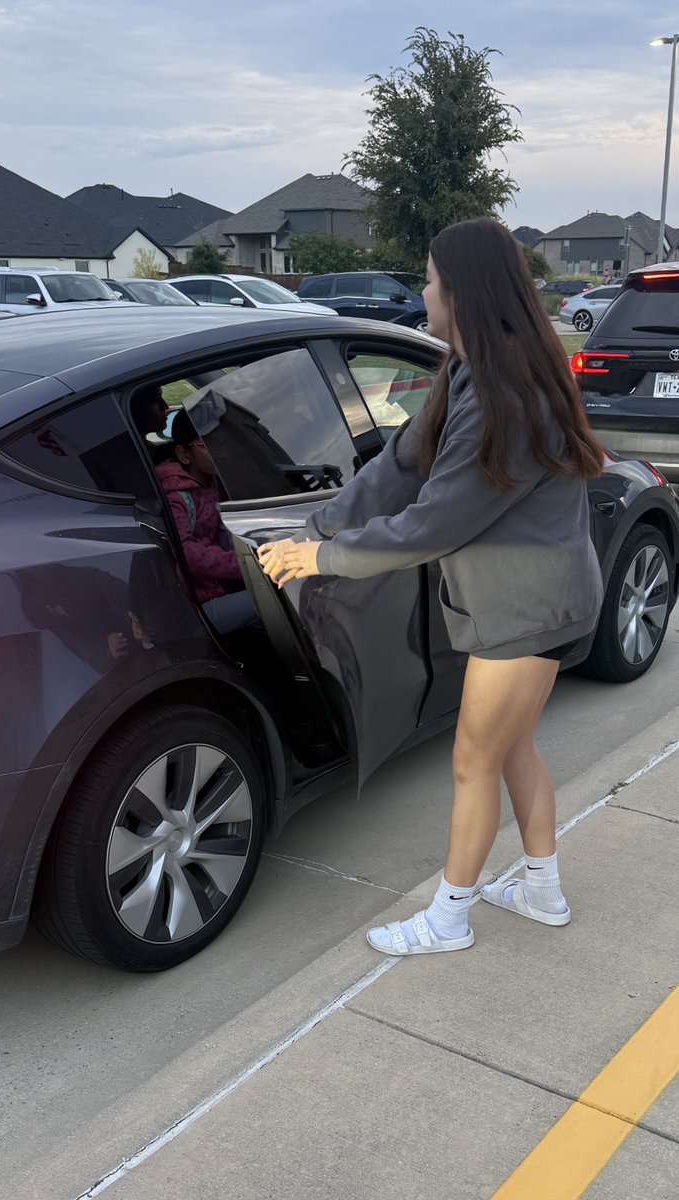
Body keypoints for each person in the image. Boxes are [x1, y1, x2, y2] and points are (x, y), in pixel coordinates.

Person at [258, 217, 604, 957]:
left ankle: (448, 918)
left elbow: (431, 525)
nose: (421, 290)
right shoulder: (472, 370)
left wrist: (323, 560)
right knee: (511, 749)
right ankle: (540, 890)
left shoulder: (505, 393)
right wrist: (317, 527)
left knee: (471, 761)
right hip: (530, 599)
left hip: (526, 610)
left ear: (461, 293)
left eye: (430, 279)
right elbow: (399, 465)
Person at [157, 409, 259, 635]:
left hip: (222, 587)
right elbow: (187, 555)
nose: (220, 451)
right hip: (197, 606)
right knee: (274, 604)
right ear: (184, 454)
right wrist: (246, 565)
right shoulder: (176, 496)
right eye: (207, 444)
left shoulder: (212, 482)